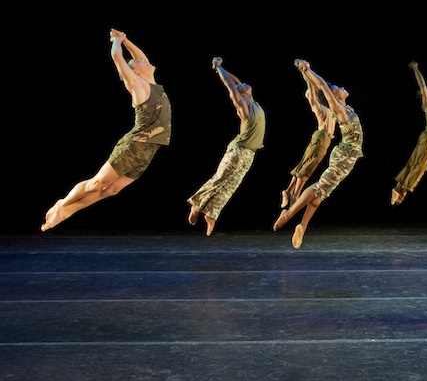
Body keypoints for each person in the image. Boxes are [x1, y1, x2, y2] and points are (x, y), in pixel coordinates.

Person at [42, 28, 172, 231]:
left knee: (111, 190)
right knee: (96, 184)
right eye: (139, 63)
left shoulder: (152, 82)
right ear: (135, 72)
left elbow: (140, 57)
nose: (144, 60)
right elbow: (116, 56)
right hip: (135, 146)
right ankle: (63, 205)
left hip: (149, 149)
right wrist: (117, 42)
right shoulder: (138, 85)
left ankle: (69, 210)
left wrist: (126, 39)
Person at [273, 59, 364, 249]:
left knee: (323, 193)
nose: (342, 87)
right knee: (319, 187)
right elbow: (322, 86)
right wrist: (307, 70)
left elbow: (323, 87)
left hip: (350, 156)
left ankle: (302, 226)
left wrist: (307, 73)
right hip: (345, 154)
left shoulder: (347, 108)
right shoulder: (339, 110)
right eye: (337, 87)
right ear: (334, 96)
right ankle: (288, 214)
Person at [187, 57, 266, 236]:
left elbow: (236, 81)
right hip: (239, 151)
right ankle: (196, 204)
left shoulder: (251, 100)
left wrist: (222, 68)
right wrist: (218, 67)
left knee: (231, 185)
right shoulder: (243, 105)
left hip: (250, 154)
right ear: (238, 94)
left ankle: (211, 214)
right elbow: (230, 85)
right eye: (240, 86)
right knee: (220, 178)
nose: (243, 84)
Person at [280, 67, 335, 210]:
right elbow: (312, 93)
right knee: (308, 167)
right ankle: (295, 195)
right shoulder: (319, 107)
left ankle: (288, 191)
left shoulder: (328, 108)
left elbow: (322, 88)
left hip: (321, 138)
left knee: (304, 163)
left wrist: (307, 74)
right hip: (322, 137)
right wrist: (306, 74)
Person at [391, 61, 427, 205]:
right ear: (422, 95)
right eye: (424, 93)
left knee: (413, 163)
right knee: (420, 166)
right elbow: (422, 85)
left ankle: (398, 189)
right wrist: (415, 68)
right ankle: (403, 192)